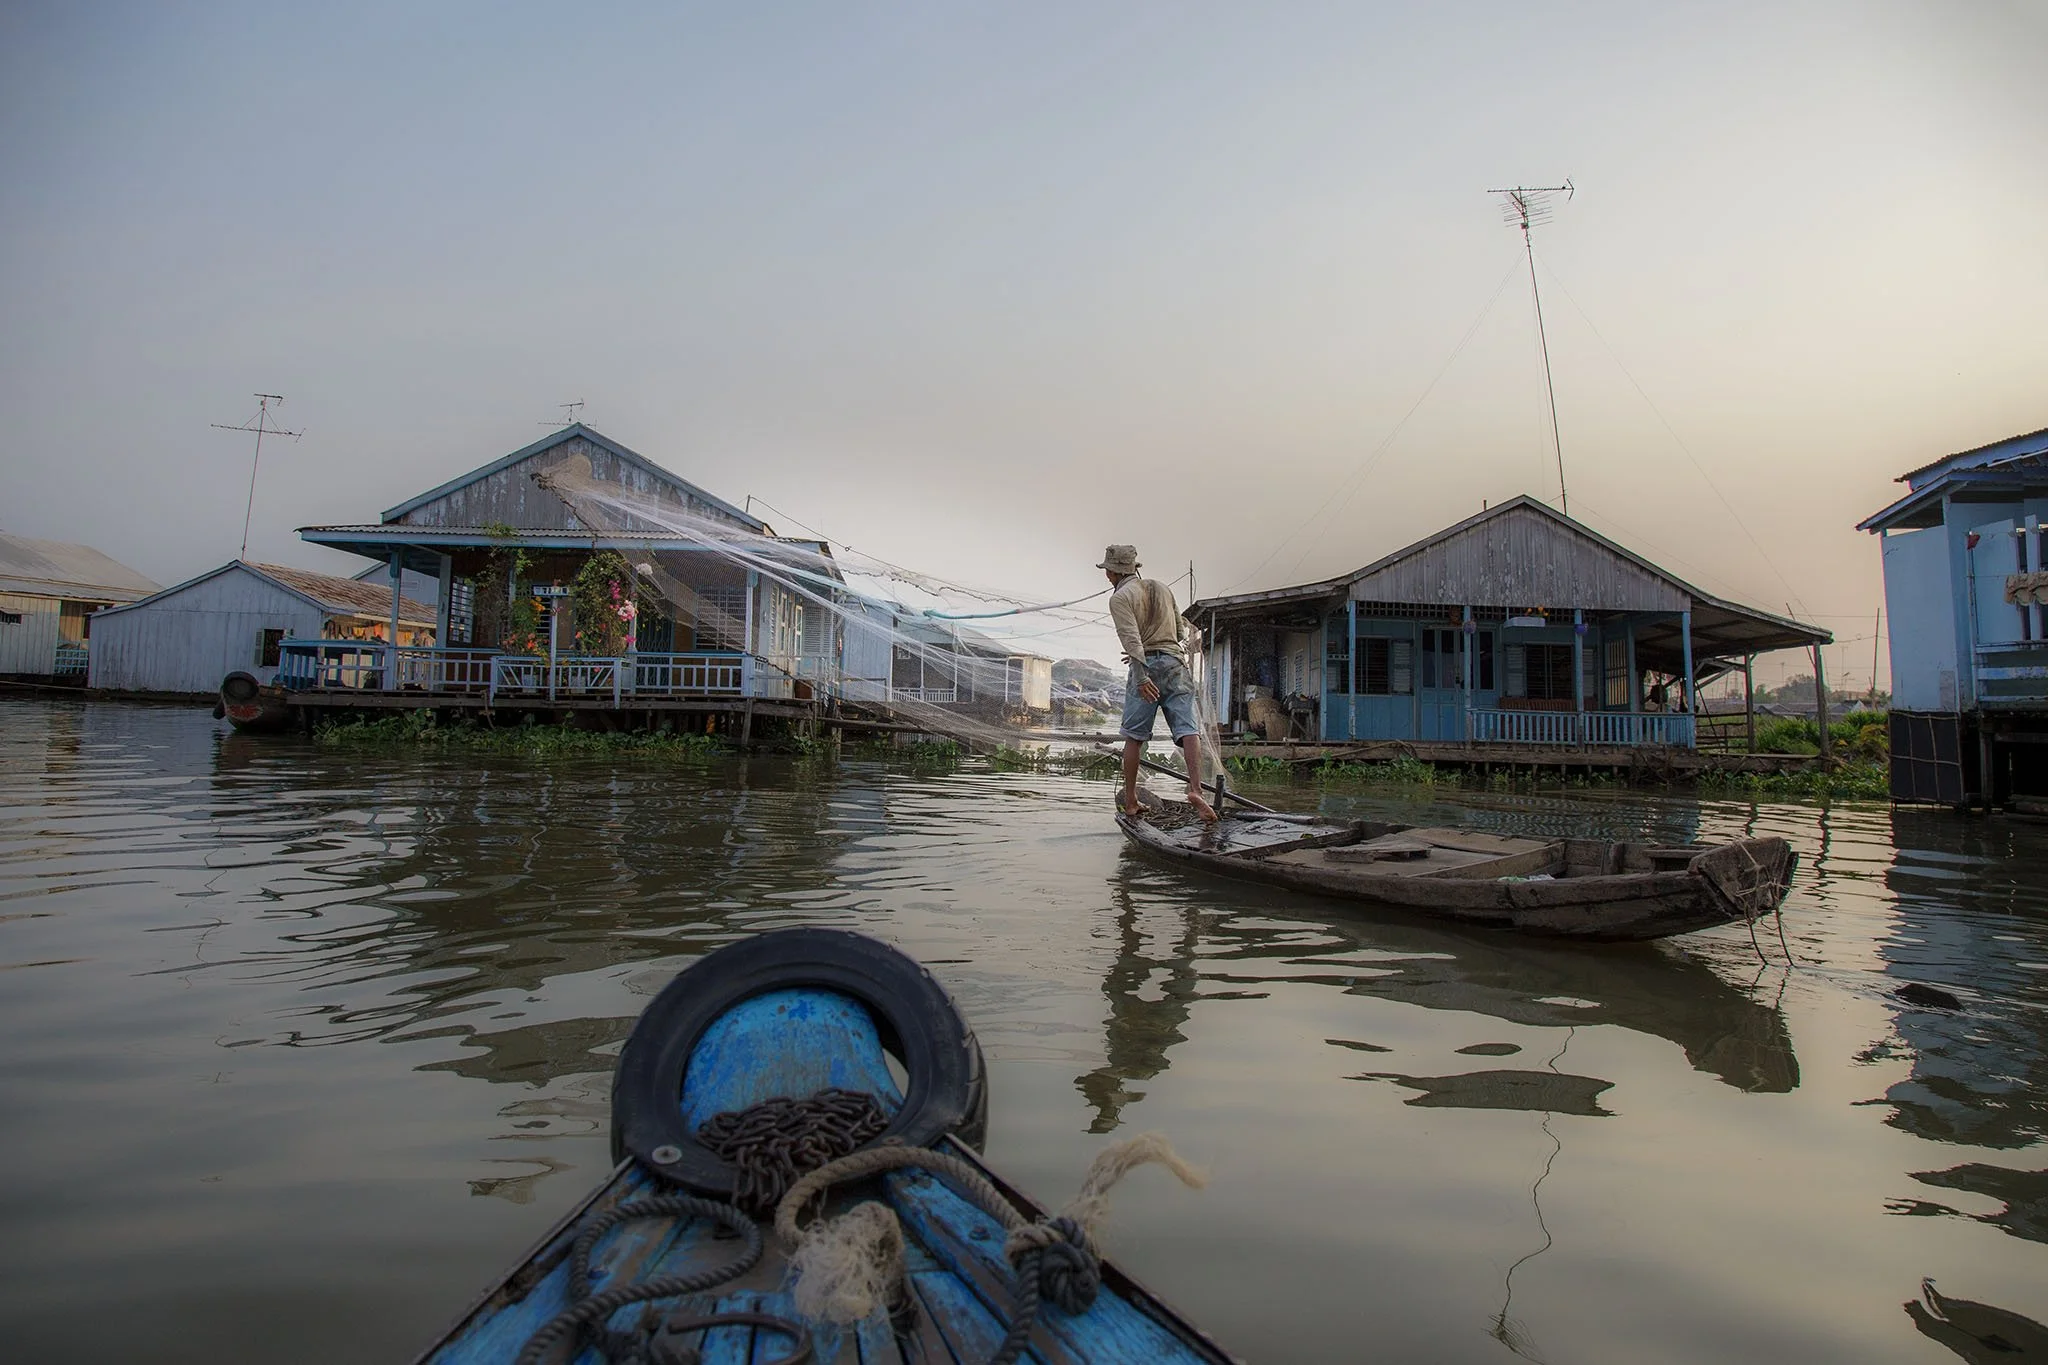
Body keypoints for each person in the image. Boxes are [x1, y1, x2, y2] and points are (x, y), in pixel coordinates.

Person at [1099, 544, 1217, 823]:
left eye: (1108, 572)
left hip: (1146, 667)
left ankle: (1131, 801)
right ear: (1134, 568)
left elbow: (1131, 640)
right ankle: (1196, 789)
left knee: (1134, 737)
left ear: (1112, 573)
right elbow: (1179, 632)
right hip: (1175, 664)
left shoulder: (1120, 598)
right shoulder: (1162, 588)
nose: (1107, 576)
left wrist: (1141, 677)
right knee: (1188, 729)